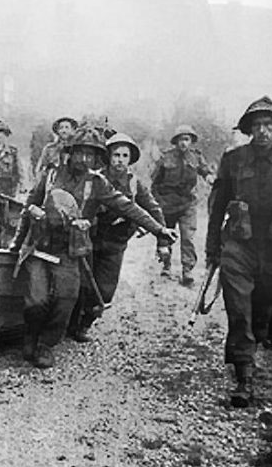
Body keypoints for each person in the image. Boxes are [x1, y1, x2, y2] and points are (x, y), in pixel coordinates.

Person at [9, 126, 177, 369]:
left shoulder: (97, 183)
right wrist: (17, 241)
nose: (84, 160)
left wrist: (159, 230)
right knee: (36, 301)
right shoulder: (51, 176)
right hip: (40, 247)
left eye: (91, 155)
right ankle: (31, 335)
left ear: (97, 158)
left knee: (66, 300)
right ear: (70, 152)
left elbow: (128, 208)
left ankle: (46, 345)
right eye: (80, 153)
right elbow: (28, 207)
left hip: (70, 253)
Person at [206, 95, 272, 407]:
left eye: (268, 124)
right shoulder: (233, 159)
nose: (262, 130)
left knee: (263, 310)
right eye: (256, 125)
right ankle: (244, 377)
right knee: (239, 312)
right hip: (239, 246)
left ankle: (252, 347)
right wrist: (212, 249)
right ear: (248, 129)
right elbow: (218, 206)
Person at [68, 132, 168, 342]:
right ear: (108, 157)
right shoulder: (95, 179)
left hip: (115, 243)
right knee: (80, 284)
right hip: (90, 240)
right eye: (116, 155)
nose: (120, 160)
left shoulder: (134, 184)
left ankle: (85, 324)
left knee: (104, 291)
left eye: (124, 155)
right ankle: (69, 325)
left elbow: (152, 209)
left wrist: (162, 240)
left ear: (130, 159)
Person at [151, 124, 212, 285]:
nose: (183, 143)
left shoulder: (196, 157)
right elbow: (154, 181)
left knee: (188, 238)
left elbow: (205, 171)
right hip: (167, 203)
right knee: (166, 236)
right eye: (180, 139)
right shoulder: (166, 157)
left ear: (191, 141)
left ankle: (187, 271)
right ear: (176, 141)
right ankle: (166, 265)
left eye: (187, 139)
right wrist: (157, 202)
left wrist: (210, 178)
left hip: (187, 203)